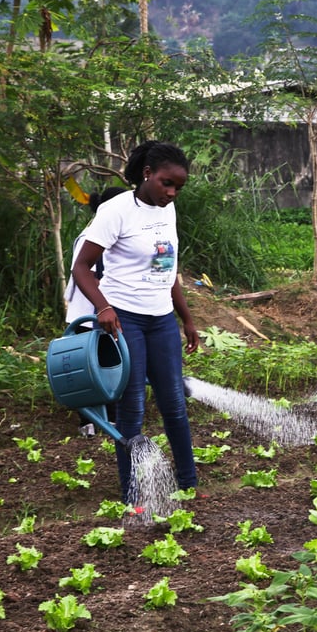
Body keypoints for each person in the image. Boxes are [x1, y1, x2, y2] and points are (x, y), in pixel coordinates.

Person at [71, 141, 200, 501]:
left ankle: (188, 485)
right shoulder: (117, 210)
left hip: (161, 321)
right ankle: (133, 494)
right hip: (123, 320)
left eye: (178, 187)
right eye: (166, 184)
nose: (172, 193)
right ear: (147, 174)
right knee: (132, 410)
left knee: (174, 404)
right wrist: (103, 308)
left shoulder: (167, 211)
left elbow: (167, 268)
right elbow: (81, 267)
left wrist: (186, 319)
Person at [64, 186, 127, 437]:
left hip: (104, 312)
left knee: (110, 364)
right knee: (88, 369)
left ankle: (110, 417)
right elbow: (85, 274)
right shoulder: (90, 236)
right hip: (88, 314)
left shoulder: (114, 234)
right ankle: (88, 420)